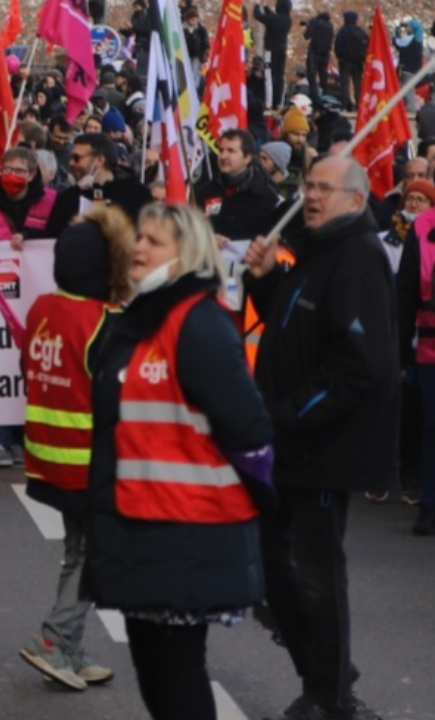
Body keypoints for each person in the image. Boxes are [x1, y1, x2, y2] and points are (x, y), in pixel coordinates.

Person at [86, 202, 274, 720]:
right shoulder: (144, 316)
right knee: (156, 669)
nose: (139, 247)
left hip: (187, 527)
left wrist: (258, 502)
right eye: (139, 237)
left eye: (155, 241)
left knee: (174, 670)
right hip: (148, 524)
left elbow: (249, 428)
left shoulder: (197, 322)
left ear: (187, 255)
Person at [243, 156, 395, 720]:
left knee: (317, 574)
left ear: (355, 200)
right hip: (290, 442)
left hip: (324, 448)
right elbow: (289, 324)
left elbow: (360, 364)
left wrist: (288, 415)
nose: (311, 195)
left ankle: (331, 696)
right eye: (308, 185)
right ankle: (326, 666)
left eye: (324, 188)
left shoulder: (356, 257)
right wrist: (265, 281)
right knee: (266, 559)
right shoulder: (315, 249)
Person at [18, 204, 132, 692]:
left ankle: (70, 648)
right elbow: (123, 400)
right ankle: (55, 638)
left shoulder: (43, 307)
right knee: (92, 555)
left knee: (77, 551)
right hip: (90, 461)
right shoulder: (107, 321)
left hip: (48, 457)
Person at [394, 180, 435, 533]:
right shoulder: (422, 227)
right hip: (429, 345)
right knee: (432, 424)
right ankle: (429, 504)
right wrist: (400, 349)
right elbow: (406, 291)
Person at [45, 133, 154, 238]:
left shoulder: (137, 194)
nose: (71, 163)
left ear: (100, 160)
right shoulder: (69, 197)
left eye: (77, 158)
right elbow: (53, 236)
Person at [194, 129, 281, 242]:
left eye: (231, 151)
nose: (223, 156)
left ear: (247, 158)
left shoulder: (266, 194)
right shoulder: (204, 190)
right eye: (221, 150)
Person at [254, 0, 294, 107]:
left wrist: (257, 4)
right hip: (282, 51)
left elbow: (258, 16)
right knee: (280, 77)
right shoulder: (288, 20)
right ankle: (279, 103)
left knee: (269, 77)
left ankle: (269, 103)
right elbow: (273, 17)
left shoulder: (274, 19)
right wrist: (266, 8)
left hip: (271, 51)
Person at [334, 12, 368, 111]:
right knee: (358, 83)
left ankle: (345, 105)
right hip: (358, 62)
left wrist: (340, 57)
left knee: (345, 84)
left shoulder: (342, 31)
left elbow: (337, 46)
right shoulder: (360, 32)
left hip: (345, 62)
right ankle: (359, 104)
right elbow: (367, 45)